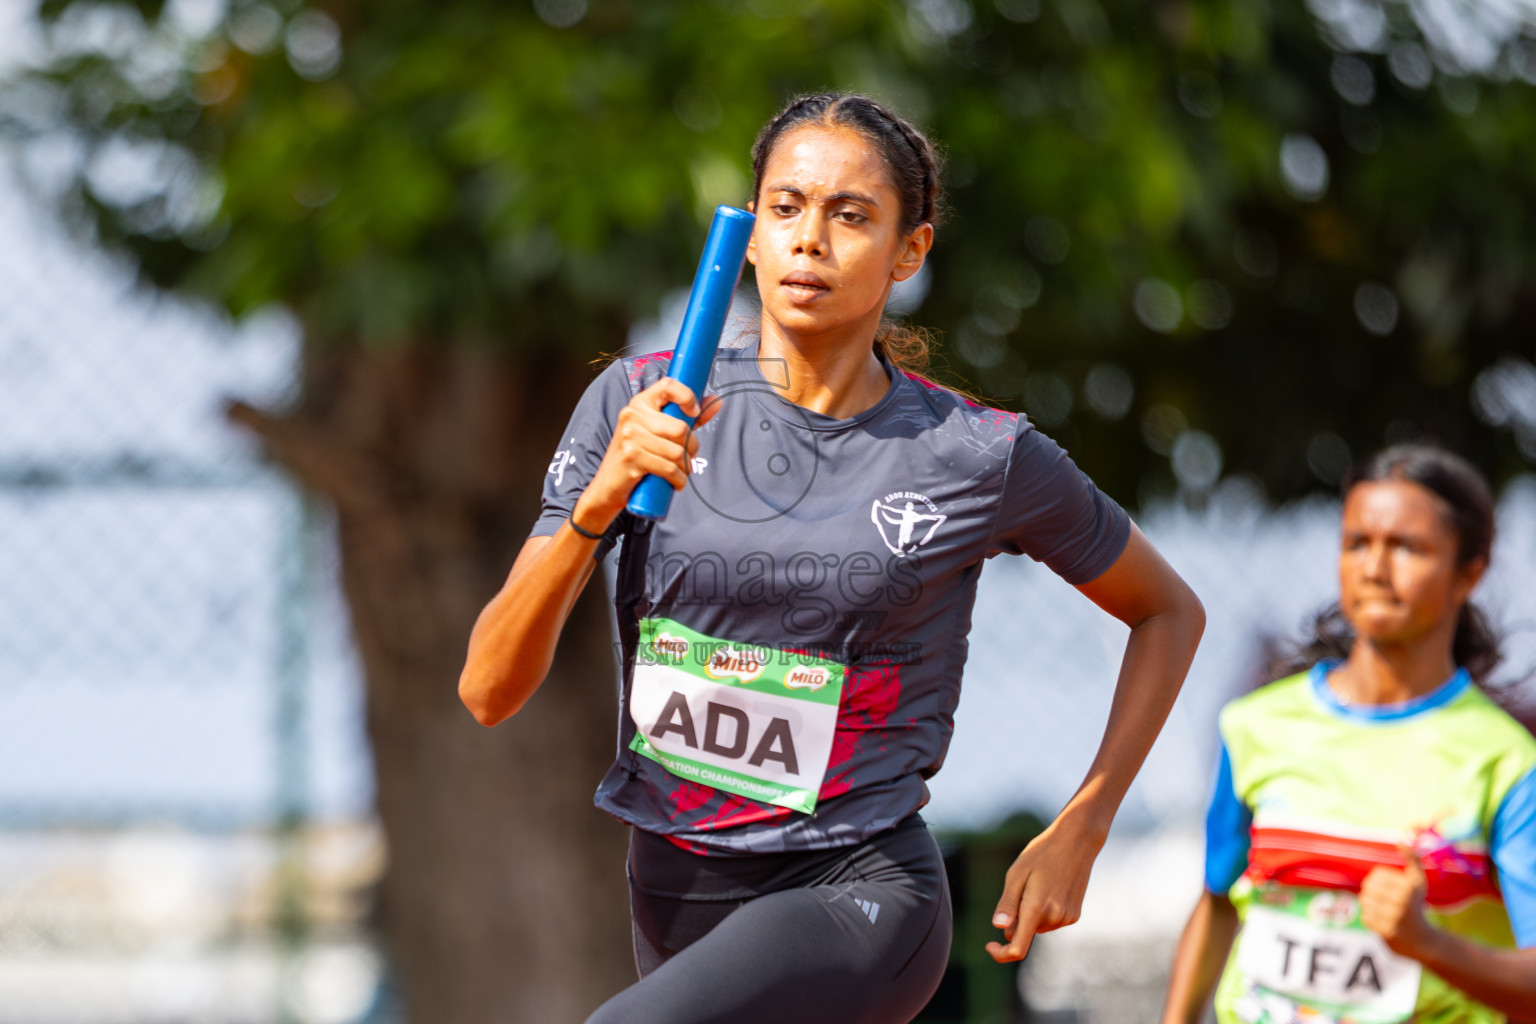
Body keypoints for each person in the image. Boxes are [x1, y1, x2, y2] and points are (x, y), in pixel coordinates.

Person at [460, 91, 1205, 1024]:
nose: (809, 239)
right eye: (786, 208)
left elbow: (1167, 609)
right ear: (752, 228)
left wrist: (1085, 823)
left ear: (910, 252)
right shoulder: (643, 402)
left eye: (850, 215)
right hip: (673, 880)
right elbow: (488, 690)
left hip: (857, 886)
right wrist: (595, 507)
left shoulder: (976, 453)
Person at [1161, 445, 1536, 1024]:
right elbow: (1217, 902)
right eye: (1357, 542)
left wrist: (1429, 944)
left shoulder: (1507, 763)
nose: (1375, 568)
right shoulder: (1256, 726)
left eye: (1407, 547)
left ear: (1470, 573)